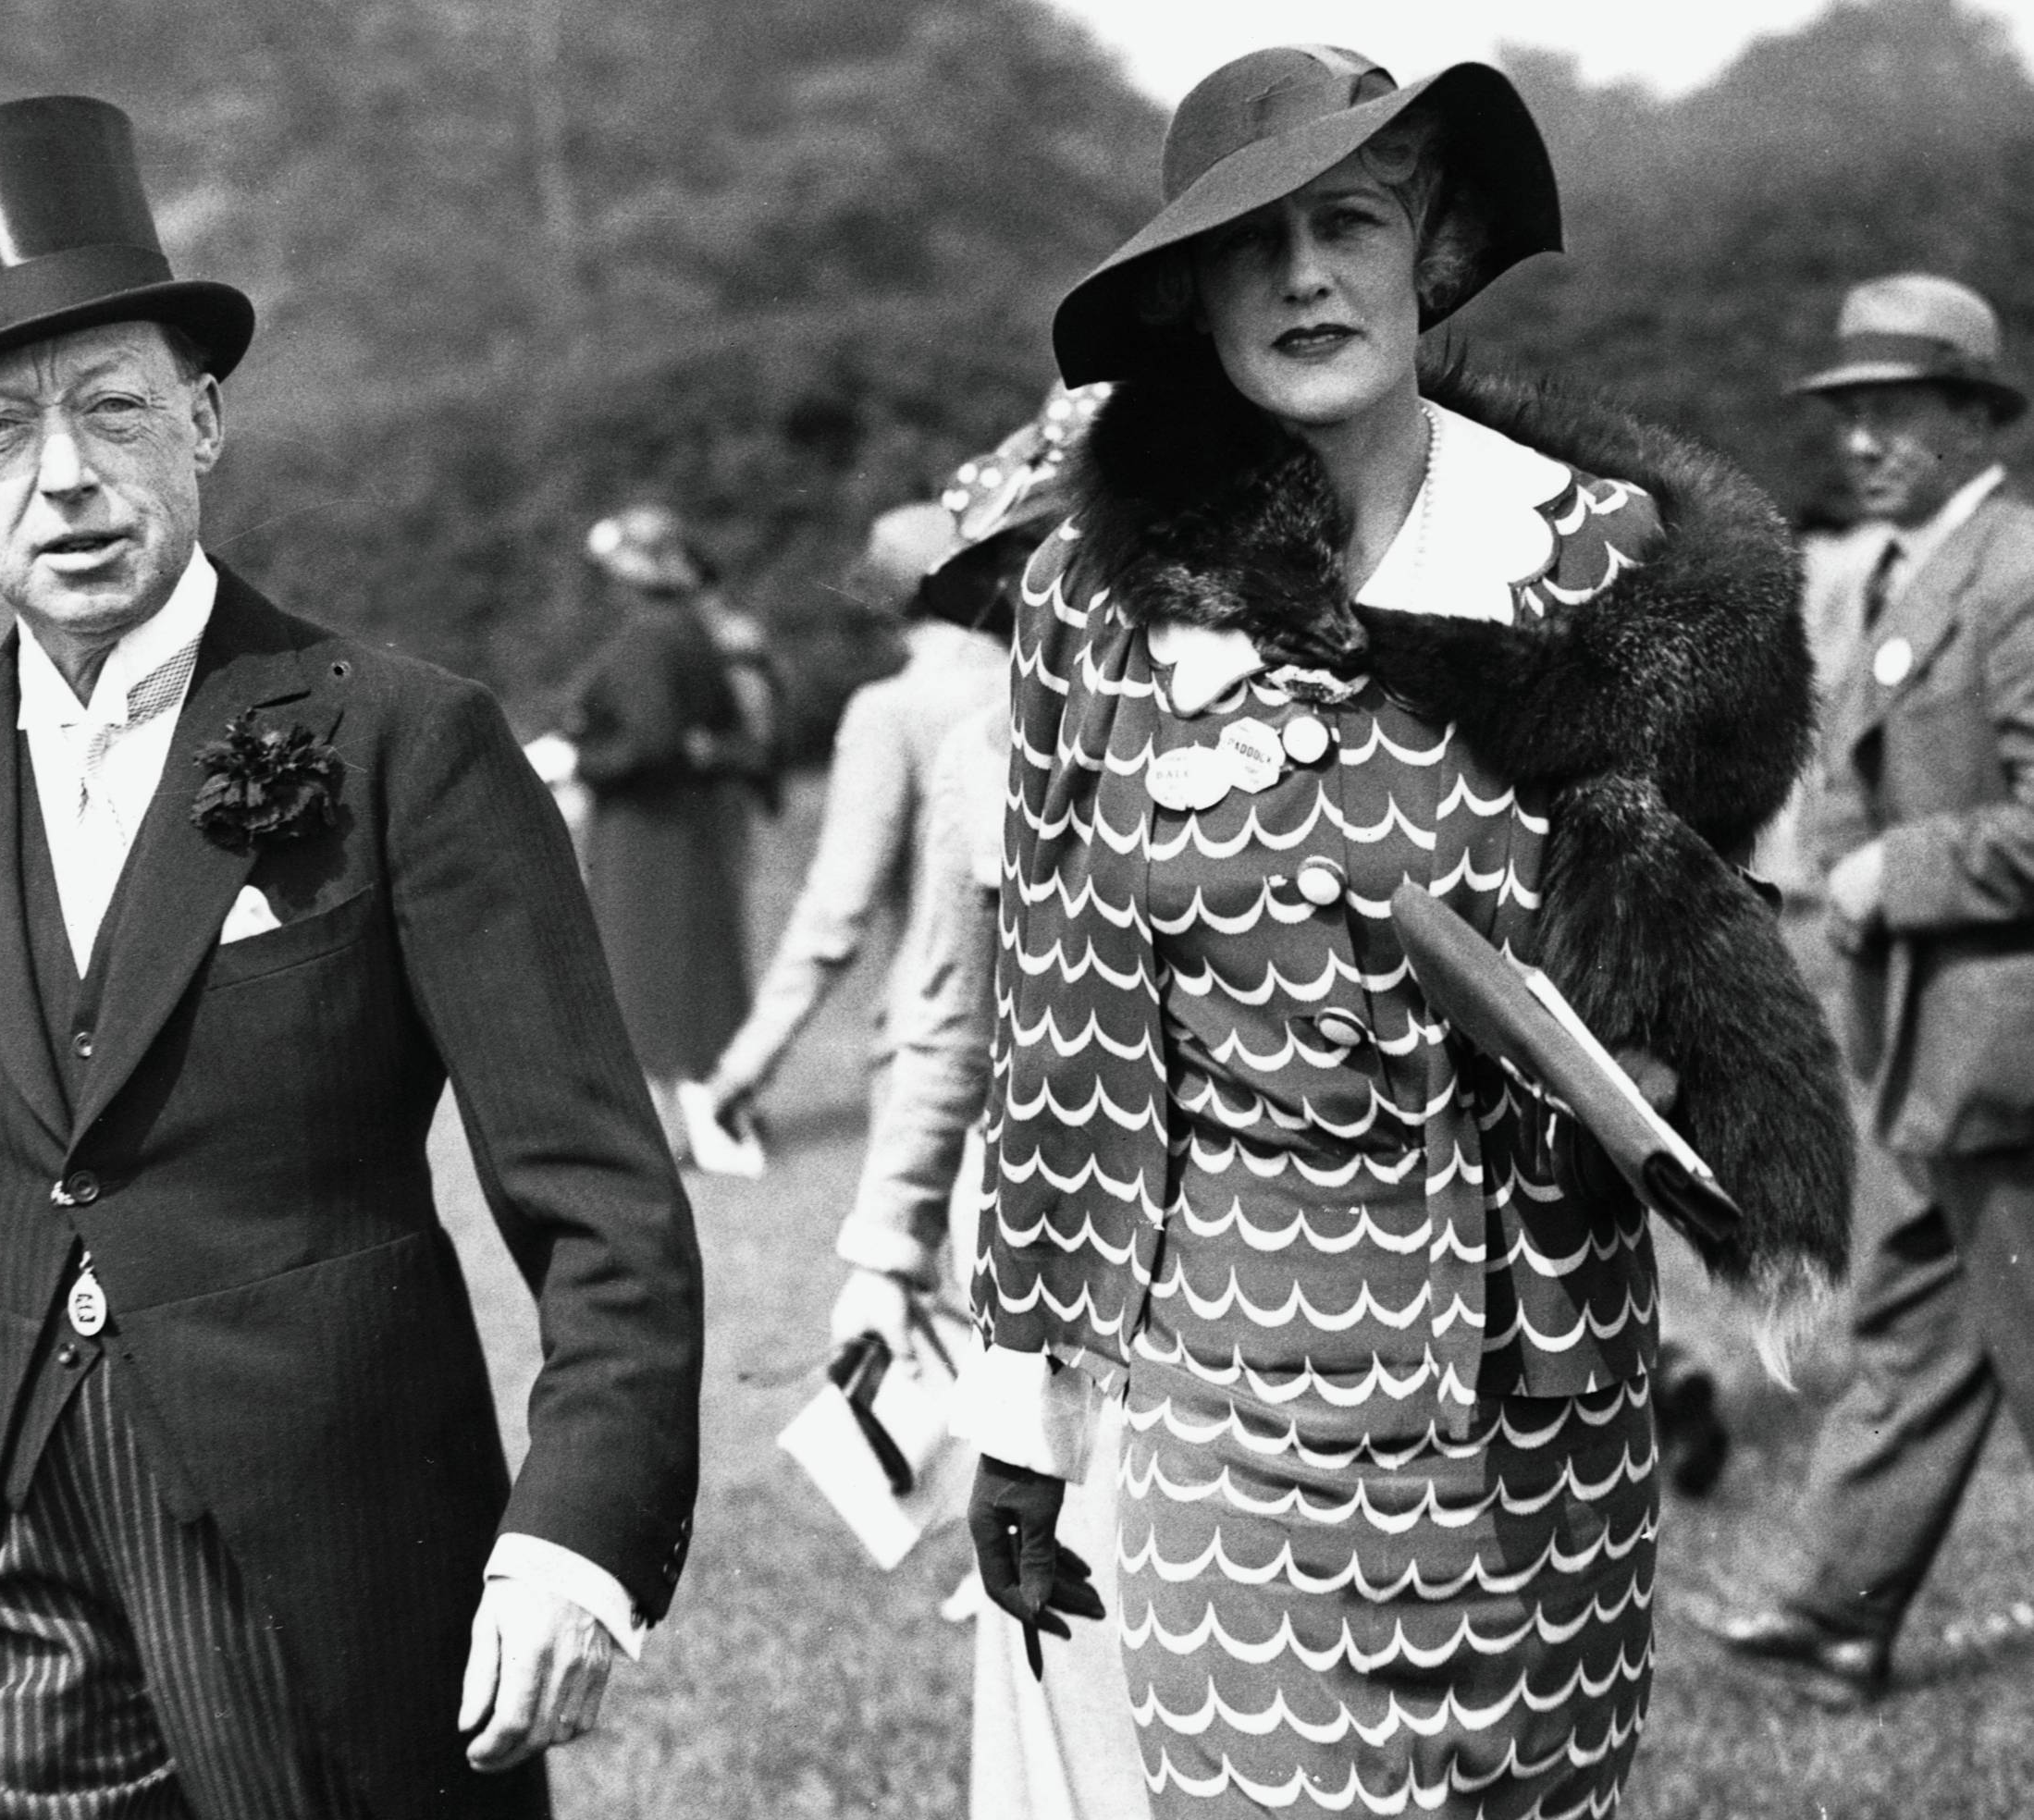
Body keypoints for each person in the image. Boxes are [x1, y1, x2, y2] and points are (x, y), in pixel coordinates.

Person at [952, 46, 1853, 1816]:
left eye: (1343, 222)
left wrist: (1672, 1057)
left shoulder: (1609, 562)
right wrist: (1019, 1419)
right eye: (1249, 244)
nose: (1302, 276)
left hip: (1558, 1414)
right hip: (1239, 1398)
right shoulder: (1091, 597)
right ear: (1187, 298)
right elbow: (1058, 1007)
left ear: (1423, 245)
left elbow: (1705, 924)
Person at [0, 97, 702, 1818]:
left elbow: (598, 1195)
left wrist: (573, 1536)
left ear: (205, 420)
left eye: (111, 410)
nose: (61, 475)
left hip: (323, 1554)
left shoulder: (400, 738)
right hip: (10, 1565)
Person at [1694, 273, 2034, 1708]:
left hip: (2006, 1059)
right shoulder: (1906, 571)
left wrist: (1886, 875)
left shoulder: (2016, 570)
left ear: (1972, 415)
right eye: (1848, 415)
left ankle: (1836, 1613)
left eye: (1896, 411)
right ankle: (1837, 1615)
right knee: (1906, 1328)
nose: (1862, 441)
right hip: (1928, 1055)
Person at [832, 411, 1151, 1820]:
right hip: (1051, 1248)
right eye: (1029, 567)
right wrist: (884, 1241)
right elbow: (948, 1023)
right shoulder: (981, 756)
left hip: (1240, 1260)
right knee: (1067, 1618)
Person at [704, 396, 1099, 1141]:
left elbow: (837, 908)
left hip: (940, 1034)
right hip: (1073, 1025)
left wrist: (745, 1065)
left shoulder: (891, 711)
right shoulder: (1067, 682)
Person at [565, 504, 764, 1129]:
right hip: (683, 819)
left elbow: (648, 744)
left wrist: (576, 758)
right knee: (687, 966)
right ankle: (705, 1111)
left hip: (645, 826)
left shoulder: (647, 635)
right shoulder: (688, 626)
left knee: (644, 969)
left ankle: (671, 1120)